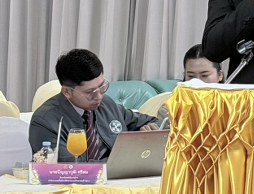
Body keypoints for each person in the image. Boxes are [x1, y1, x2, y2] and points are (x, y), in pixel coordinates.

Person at [29, 49, 159, 162]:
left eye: (102, 87)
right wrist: (122, 160)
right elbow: (69, 168)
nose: (99, 96)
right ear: (67, 91)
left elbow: (153, 122)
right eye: (90, 92)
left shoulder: (106, 104)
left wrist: (149, 130)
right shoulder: (45, 121)